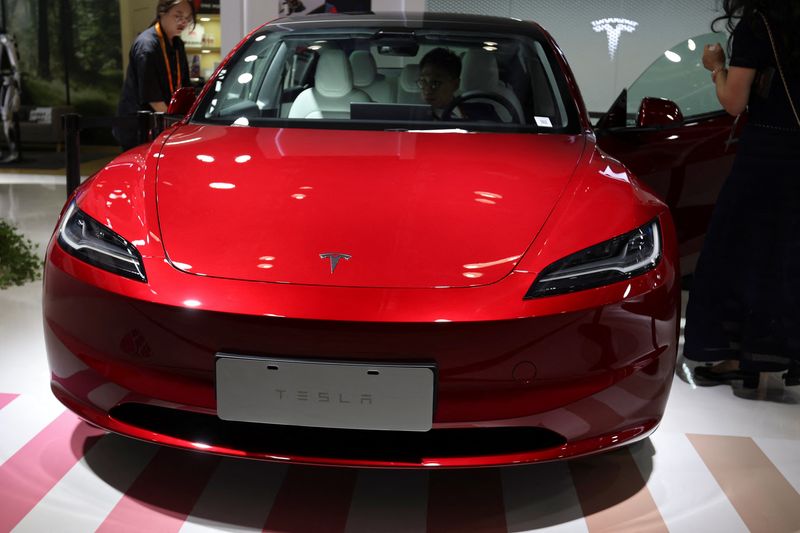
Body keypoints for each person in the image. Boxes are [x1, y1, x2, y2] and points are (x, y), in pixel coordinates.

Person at [683, 0, 800, 385]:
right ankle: (784, 352)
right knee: (788, 254)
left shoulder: (759, 25)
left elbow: (734, 102)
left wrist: (717, 67)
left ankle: (736, 358)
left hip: (767, 154)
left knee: (739, 252)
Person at [114, 0, 195, 151]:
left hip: (163, 123)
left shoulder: (177, 44)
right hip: (140, 128)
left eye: (188, 18)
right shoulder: (147, 46)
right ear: (161, 13)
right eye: (178, 16)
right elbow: (153, 99)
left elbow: (184, 86)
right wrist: (178, 124)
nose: (183, 22)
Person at [417, 47, 499, 121]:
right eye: (423, 82)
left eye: (436, 83)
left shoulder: (484, 112)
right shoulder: (411, 117)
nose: (427, 90)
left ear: (455, 84)